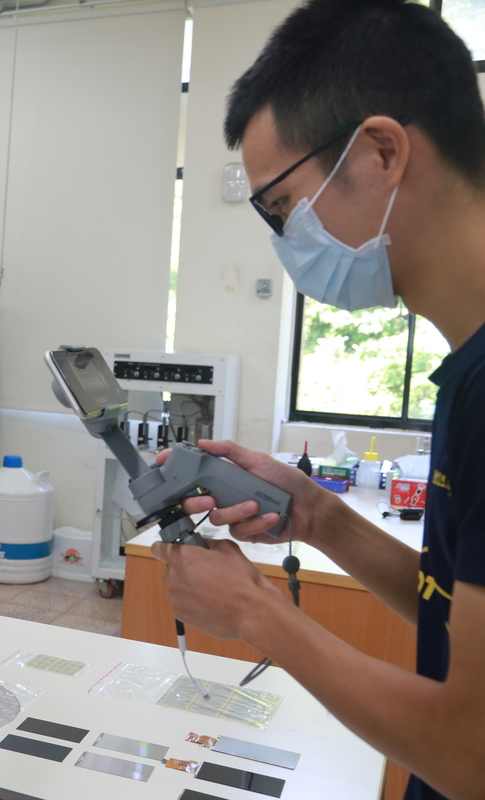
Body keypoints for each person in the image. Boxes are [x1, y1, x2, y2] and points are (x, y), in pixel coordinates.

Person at [148, 2, 485, 799]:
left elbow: (472, 753)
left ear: (380, 152)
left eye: (281, 207)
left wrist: (260, 615)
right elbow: (451, 602)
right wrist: (319, 516)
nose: (286, 240)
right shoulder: (466, 372)